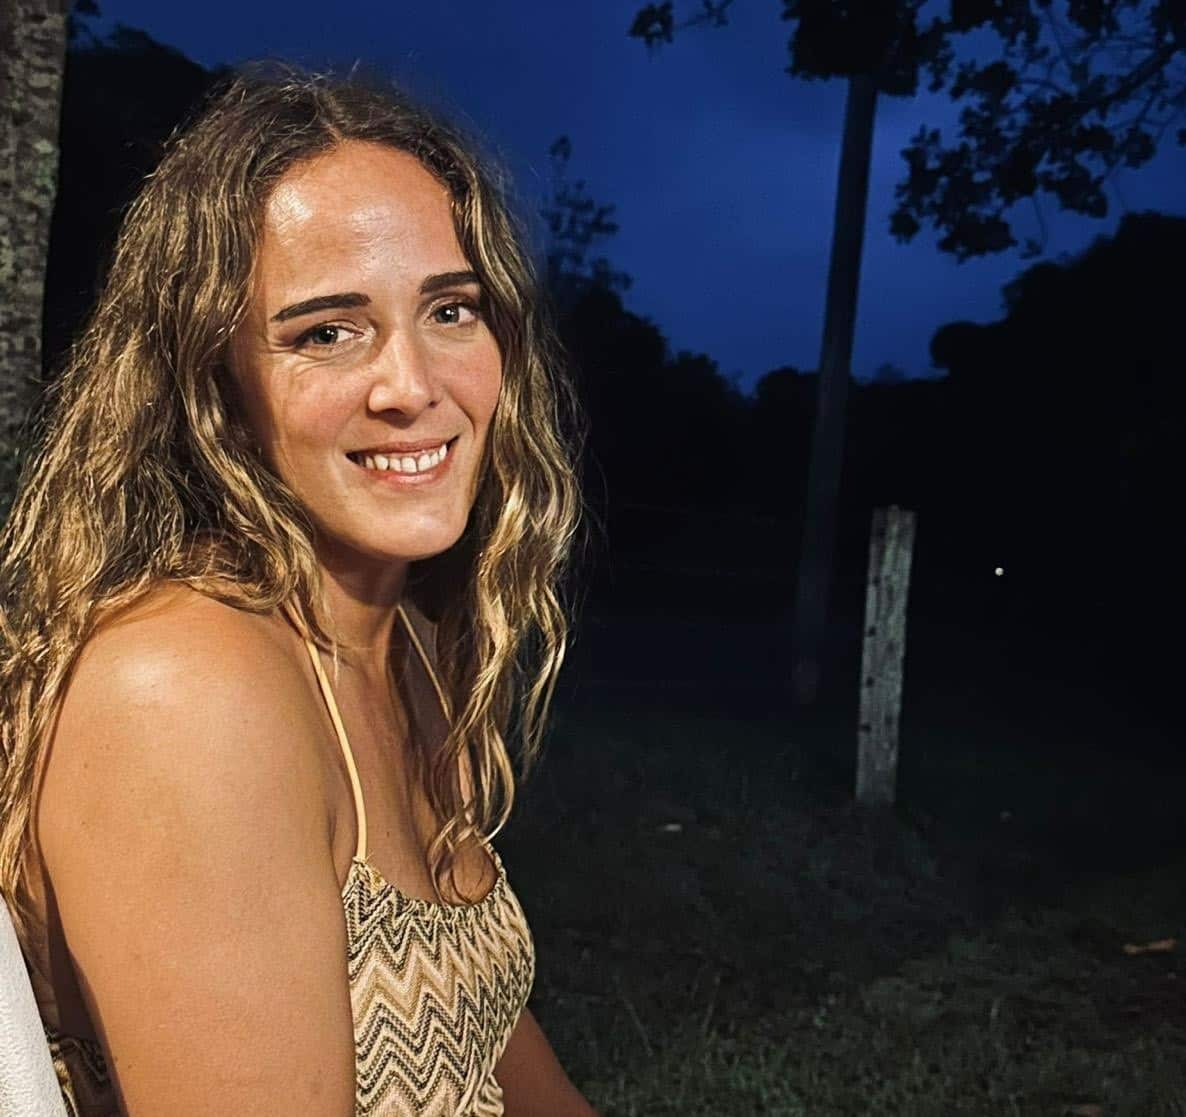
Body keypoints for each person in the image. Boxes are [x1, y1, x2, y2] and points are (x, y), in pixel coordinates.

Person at [0, 67, 596, 1116]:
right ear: (212, 384)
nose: (412, 386)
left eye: (451, 309)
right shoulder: (187, 688)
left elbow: (482, 1031)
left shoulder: (401, 638)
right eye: (327, 331)